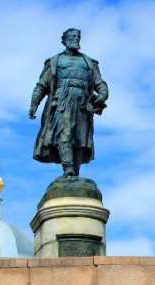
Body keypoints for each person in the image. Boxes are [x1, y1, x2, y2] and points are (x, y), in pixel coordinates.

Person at [29, 28, 109, 177]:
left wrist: (103, 94)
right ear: (64, 41)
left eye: (77, 37)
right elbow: (41, 85)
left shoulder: (89, 62)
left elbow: (100, 83)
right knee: (64, 133)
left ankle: (74, 173)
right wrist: (34, 104)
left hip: (83, 103)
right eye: (72, 37)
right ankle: (68, 168)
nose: (75, 39)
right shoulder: (55, 61)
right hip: (62, 101)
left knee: (80, 138)